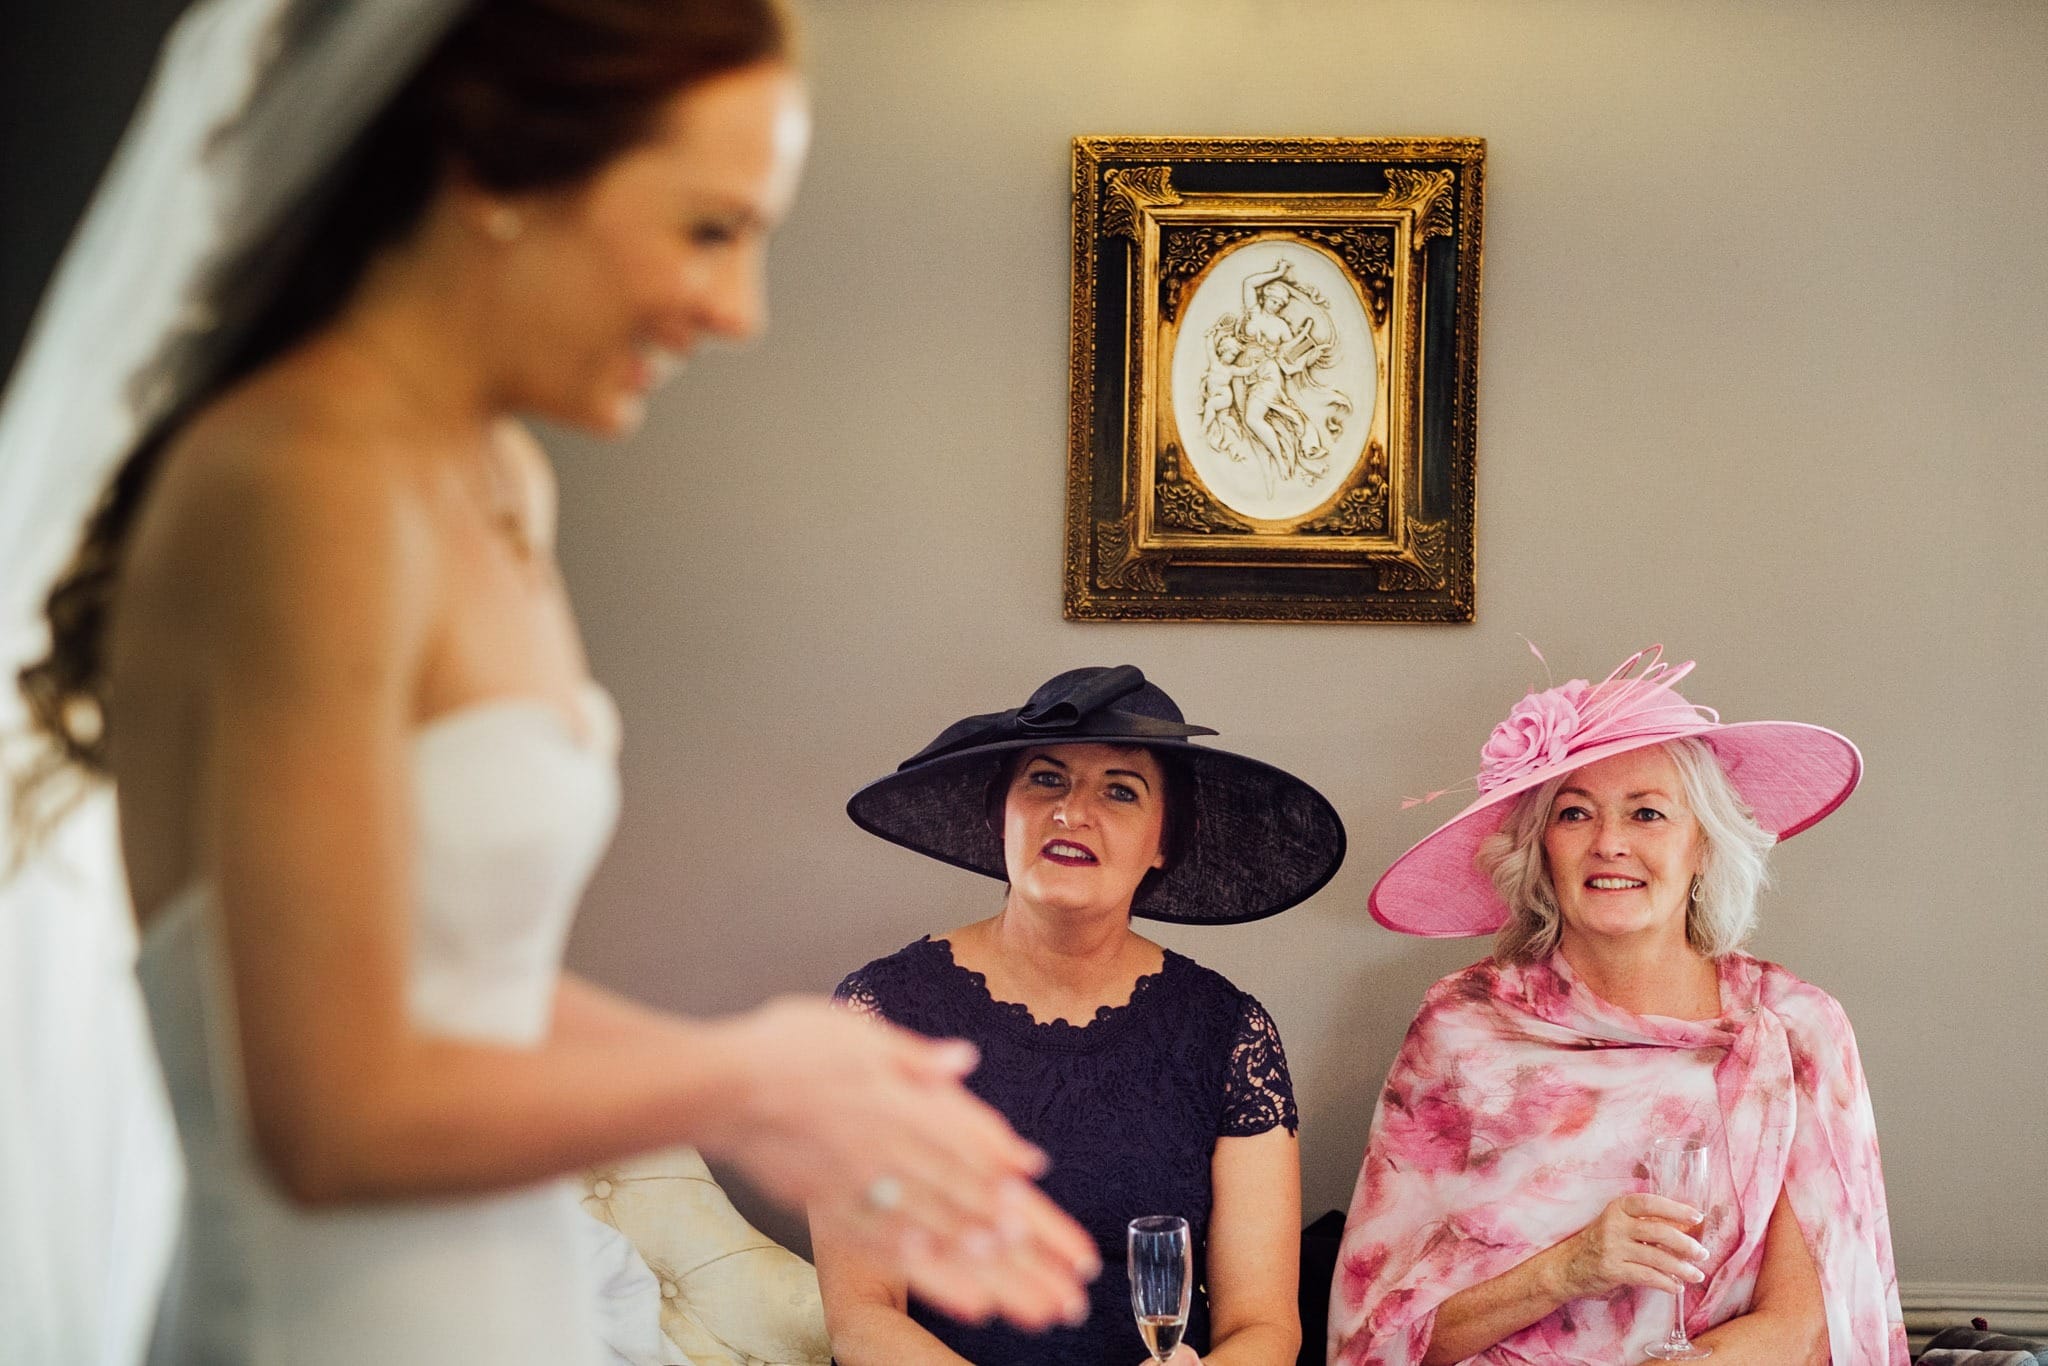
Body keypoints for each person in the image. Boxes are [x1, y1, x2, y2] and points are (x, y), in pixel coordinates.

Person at [3, 2, 1096, 1362]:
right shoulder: (295, 482)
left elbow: (455, 974)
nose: (740, 310)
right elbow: (321, 1118)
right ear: (497, 169)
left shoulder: (493, 476)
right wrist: (745, 1078)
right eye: (712, 227)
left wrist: (821, 1080)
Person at [1328, 646, 1908, 1365]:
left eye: (1647, 813)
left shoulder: (1796, 1029)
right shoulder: (1461, 1027)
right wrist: (1570, 1267)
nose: (1610, 844)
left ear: (1703, 845)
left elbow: (1809, 1324)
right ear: (1540, 847)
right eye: (1575, 814)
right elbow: (1374, 1341)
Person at [813, 664, 1349, 1366]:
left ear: (1163, 843)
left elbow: (1264, 1327)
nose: (1073, 811)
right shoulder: (880, 1013)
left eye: (1120, 791)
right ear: (997, 810)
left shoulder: (1228, 1033)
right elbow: (861, 1316)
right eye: (1045, 779)